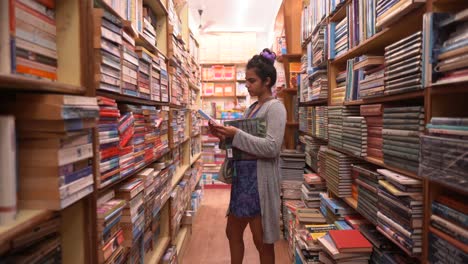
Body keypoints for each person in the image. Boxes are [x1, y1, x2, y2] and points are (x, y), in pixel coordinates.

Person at [209, 48, 286, 264]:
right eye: (246, 81)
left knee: (261, 241)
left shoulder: (275, 109)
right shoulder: (251, 108)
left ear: (267, 81)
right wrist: (223, 136)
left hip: (258, 182)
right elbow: (242, 144)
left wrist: (237, 134)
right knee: (232, 232)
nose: (248, 85)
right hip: (243, 181)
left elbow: (271, 147)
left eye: (252, 81)